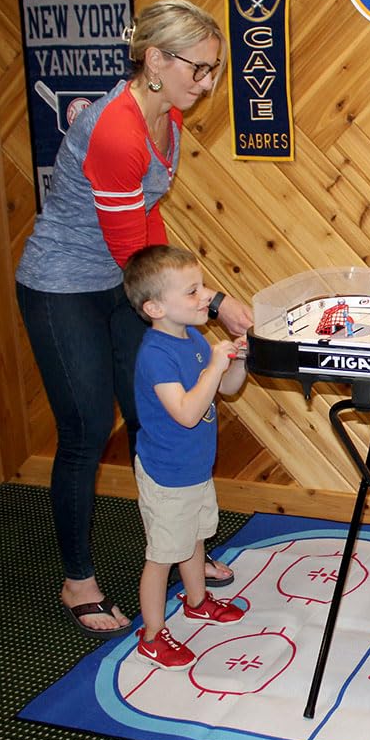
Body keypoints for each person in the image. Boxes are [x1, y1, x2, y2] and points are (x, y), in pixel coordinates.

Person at [16, 0, 254, 639]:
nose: (205, 85)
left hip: (127, 283)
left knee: (152, 416)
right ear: (154, 60)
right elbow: (135, 257)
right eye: (198, 70)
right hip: (65, 288)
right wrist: (214, 303)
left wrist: (201, 296)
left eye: (213, 70)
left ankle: (183, 550)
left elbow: (150, 225)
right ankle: (78, 579)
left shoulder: (166, 120)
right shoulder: (117, 131)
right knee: (88, 429)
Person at [123, 245, 247, 669]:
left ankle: (197, 601)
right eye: (192, 292)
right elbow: (188, 413)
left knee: (194, 538)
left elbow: (226, 390)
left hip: (194, 469)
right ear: (155, 307)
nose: (205, 299)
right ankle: (153, 635)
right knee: (160, 556)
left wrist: (236, 363)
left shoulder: (192, 337)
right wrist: (214, 366)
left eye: (201, 288)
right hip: (166, 475)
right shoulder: (156, 355)